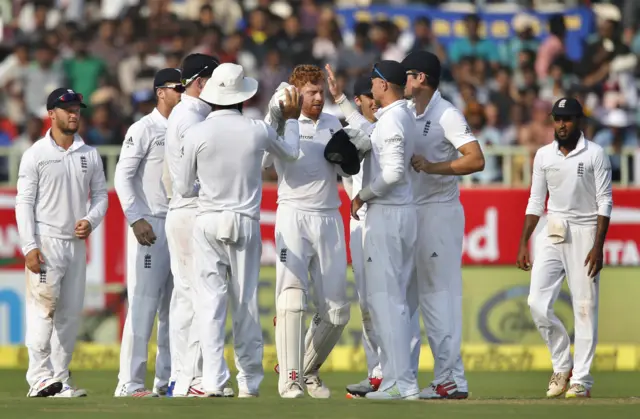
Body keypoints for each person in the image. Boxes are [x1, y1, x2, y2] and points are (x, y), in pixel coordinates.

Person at [174, 62, 302, 398]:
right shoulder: (257, 129)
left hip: (207, 221)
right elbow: (291, 153)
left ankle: (214, 381)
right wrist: (290, 120)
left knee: (210, 304)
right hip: (245, 221)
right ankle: (249, 382)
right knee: (244, 304)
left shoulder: (196, 133)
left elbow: (184, 187)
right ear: (242, 97)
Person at [403, 50, 485, 400]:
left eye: (407, 74)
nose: (402, 81)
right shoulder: (407, 111)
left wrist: (432, 167)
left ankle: (451, 379)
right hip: (413, 212)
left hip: (439, 211)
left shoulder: (446, 113)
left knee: (438, 298)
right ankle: (401, 378)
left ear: (421, 78)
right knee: (405, 300)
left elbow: (475, 159)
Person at [264, 64, 350, 399]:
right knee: (292, 300)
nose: (317, 97)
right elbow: (261, 164)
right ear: (297, 92)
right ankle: (290, 378)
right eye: (311, 92)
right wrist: (275, 116)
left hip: (329, 217)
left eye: (320, 91)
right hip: (294, 216)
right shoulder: (286, 124)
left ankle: (308, 370)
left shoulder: (332, 123)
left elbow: (347, 168)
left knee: (337, 311)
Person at [517, 97, 613, 399]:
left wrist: (598, 246)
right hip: (552, 227)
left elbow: (604, 202)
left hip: (585, 231)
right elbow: (535, 201)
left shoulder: (595, 154)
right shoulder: (544, 155)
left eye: (568, 119)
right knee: (536, 302)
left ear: (579, 121)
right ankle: (562, 365)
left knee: (584, 307)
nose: (561, 124)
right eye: (557, 119)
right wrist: (523, 241)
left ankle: (581, 379)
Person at [16, 88, 108, 397]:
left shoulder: (89, 154)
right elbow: (23, 203)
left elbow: (101, 197)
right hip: (46, 241)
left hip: (75, 245)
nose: (73, 114)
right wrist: (29, 246)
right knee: (44, 309)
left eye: (77, 109)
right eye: (66, 108)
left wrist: (90, 220)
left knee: (69, 314)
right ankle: (38, 377)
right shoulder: (36, 154)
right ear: (51, 113)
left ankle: (58, 379)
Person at [349, 60, 418, 400]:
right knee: (393, 302)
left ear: (383, 85)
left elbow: (391, 173)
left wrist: (362, 195)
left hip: (388, 215)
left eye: (374, 81)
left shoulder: (392, 120)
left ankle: (398, 383)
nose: (371, 87)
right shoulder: (398, 116)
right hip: (398, 215)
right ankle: (398, 380)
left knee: (386, 302)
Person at [114, 68, 183, 398]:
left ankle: (167, 381)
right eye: (177, 87)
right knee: (142, 304)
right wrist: (135, 217)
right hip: (150, 224)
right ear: (160, 92)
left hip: (180, 223)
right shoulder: (143, 128)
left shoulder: (188, 127)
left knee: (176, 308)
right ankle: (130, 382)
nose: (182, 92)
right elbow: (122, 176)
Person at [163, 53, 221, 397]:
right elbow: (188, 177)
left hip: (182, 210)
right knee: (201, 295)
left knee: (187, 297)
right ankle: (194, 379)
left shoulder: (185, 112)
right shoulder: (193, 115)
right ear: (201, 81)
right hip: (191, 208)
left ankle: (181, 378)